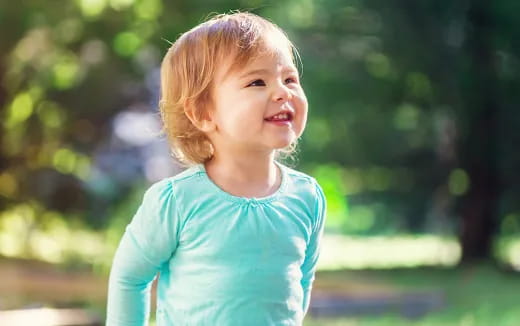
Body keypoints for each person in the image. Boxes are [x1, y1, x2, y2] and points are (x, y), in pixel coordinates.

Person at [106, 11, 327, 326]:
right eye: (257, 81)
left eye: (290, 78)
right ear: (203, 113)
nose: (283, 92)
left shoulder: (307, 197)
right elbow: (130, 278)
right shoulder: (176, 201)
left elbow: (301, 282)